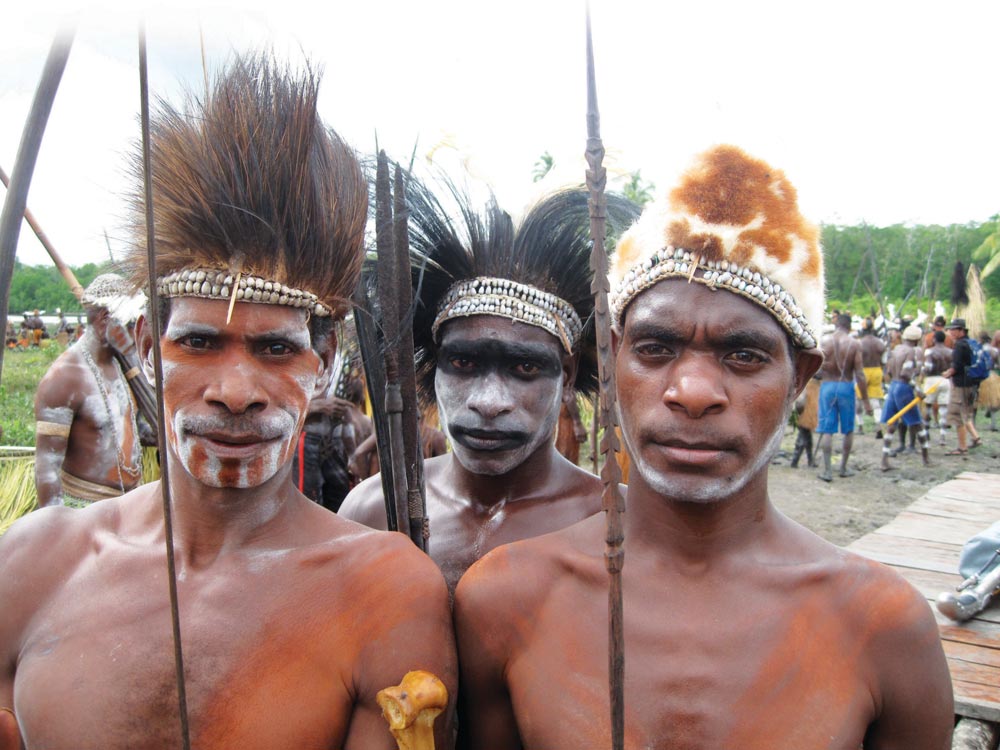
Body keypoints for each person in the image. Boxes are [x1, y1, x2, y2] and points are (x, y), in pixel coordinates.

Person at [0, 54, 455, 749]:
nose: (235, 392)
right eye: (200, 343)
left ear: (326, 363)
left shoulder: (386, 595)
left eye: (275, 350)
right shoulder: (35, 562)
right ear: (150, 348)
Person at [454, 145, 952, 749]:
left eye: (743, 355)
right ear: (612, 361)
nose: (692, 392)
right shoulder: (505, 600)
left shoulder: (883, 627)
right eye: (656, 348)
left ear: (799, 377)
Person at [340, 177, 638, 592]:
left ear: (566, 376)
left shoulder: (618, 521)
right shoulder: (370, 511)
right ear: (435, 367)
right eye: (463, 362)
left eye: (525, 368)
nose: (488, 401)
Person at [32, 273, 143, 508]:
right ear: (105, 320)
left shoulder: (122, 366)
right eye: (131, 324)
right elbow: (47, 466)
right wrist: (61, 531)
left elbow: (129, 431)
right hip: (83, 509)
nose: (136, 333)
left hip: (128, 505)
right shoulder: (65, 377)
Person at [816, 312, 871, 481]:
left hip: (827, 386)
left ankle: (827, 471)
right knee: (848, 429)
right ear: (849, 327)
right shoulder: (854, 343)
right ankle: (843, 468)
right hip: (846, 386)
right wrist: (866, 400)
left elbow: (816, 369)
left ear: (836, 325)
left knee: (827, 430)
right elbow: (860, 374)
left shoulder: (824, 341)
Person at [882, 324, 924, 454]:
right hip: (905, 385)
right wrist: (915, 386)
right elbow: (907, 373)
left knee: (897, 418)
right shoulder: (913, 351)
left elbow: (888, 371)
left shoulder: (896, 349)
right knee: (914, 419)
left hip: (894, 385)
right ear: (917, 339)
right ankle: (918, 451)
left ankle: (896, 448)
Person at [943, 318, 982, 455]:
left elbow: (957, 366)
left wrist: (948, 373)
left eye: (954, 329)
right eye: (950, 329)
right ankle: (976, 438)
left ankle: (962, 447)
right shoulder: (971, 343)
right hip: (972, 383)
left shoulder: (960, 345)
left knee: (957, 415)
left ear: (961, 331)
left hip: (961, 384)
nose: (951, 332)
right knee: (966, 413)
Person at [856, 316, 885, 436]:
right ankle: (878, 425)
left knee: (859, 399)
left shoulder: (860, 343)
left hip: (863, 370)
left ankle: (861, 426)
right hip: (877, 370)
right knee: (875, 401)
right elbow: (884, 360)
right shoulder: (880, 343)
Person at [923, 329, 953, 443]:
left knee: (928, 407)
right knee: (944, 409)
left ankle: (926, 432)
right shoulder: (950, 352)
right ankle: (942, 436)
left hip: (932, 380)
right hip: (945, 380)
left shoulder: (929, 352)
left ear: (934, 339)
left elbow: (928, 367)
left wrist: (921, 370)